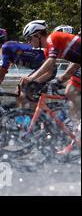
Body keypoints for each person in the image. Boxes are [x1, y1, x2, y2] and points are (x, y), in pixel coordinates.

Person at [21, 20, 81, 155]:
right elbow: (50, 70)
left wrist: (31, 78)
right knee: (70, 90)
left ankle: (78, 127)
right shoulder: (48, 49)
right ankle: (77, 131)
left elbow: (51, 62)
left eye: (30, 39)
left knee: (72, 91)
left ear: (37, 35)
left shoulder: (52, 38)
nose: (29, 42)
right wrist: (35, 82)